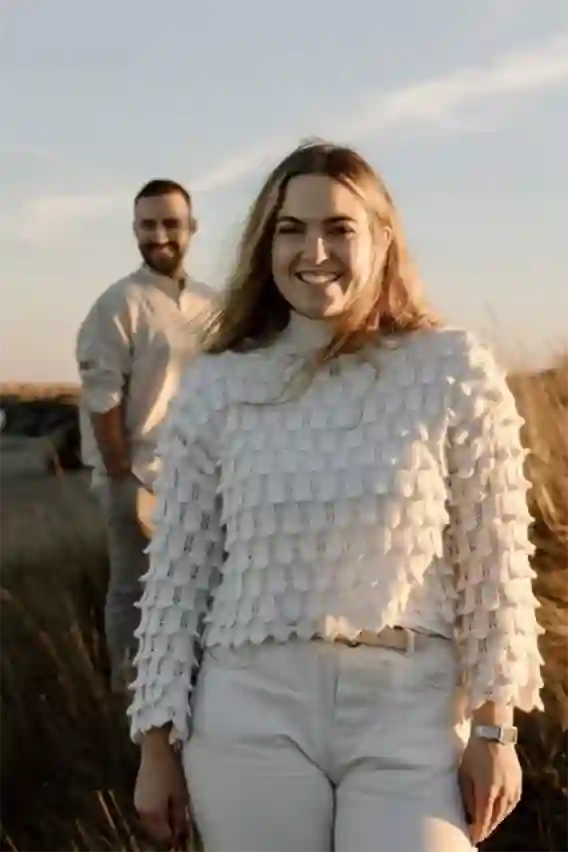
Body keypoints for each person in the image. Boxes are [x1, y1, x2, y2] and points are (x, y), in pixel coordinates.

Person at [128, 142, 544, 851]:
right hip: (249, 710)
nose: (312, 250)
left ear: (382, 238)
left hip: (410, 712)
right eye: (291, 228)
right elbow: (178, 577)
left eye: (338, 228)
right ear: (267, 244)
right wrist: (156, 748)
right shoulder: (218, 386)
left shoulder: (453, 370)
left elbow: (494, 563)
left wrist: (494, 729)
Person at [75, 178, 216, 693]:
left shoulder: (211, 304)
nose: (160, 235)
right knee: (134, 591)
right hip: (136, 473)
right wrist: (122, 477)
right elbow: (102, 397)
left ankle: (192, 691)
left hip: (199, 476)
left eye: (171, 224)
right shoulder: (119, 303)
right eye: (148, 224)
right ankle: (129, 697)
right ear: (135, 229)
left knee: (200, 588)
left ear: (191, 229)